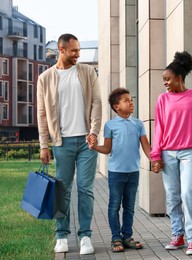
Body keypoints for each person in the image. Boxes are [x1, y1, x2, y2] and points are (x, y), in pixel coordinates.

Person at [37, 33, 102, 255]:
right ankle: (61, 235)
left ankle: (85, 236)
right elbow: (42, 113)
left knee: (86, 189)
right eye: (74, 51)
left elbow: (96, 102)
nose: (77, 55)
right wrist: (43, 145)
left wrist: (94, 132)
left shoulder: (87, 72)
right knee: (62, 190)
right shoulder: (45, 78)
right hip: (61, 142)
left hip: (86, 142)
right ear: (61, 49)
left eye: (79, 51)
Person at [150, 51, 192, 255]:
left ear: (179, 78)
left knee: (187, 193)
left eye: (167, 79)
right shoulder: (162, 100)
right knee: (173, 196)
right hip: (168, 153)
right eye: (163, 80)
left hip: (190, 153)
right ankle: (177, 235)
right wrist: (156, 155)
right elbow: (159, 128)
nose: (165, 83)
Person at [88, 88, 151, 252]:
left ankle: (127, 236)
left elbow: (146, 146)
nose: (131, 102)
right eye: (126, 100)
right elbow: (107, 148)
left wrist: (155, 161)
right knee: (114, 206)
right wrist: (95, 147)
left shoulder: (138, 124)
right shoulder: (110, 125)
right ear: (116, 106)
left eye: (131, 99)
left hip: (133, 172)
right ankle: (116, 238)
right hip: (116, 173)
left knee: (129, 207)